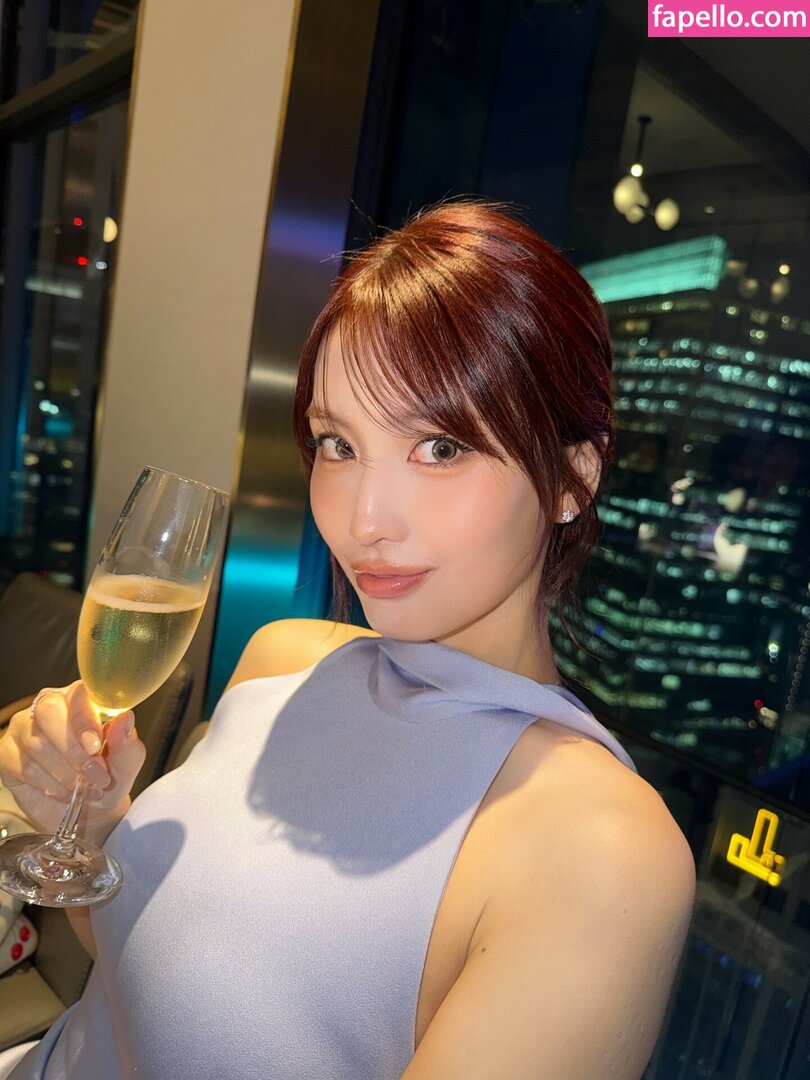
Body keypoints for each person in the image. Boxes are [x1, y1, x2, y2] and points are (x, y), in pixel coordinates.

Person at [0, 201, 695, 1079]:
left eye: (440, 447)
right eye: (338, 443)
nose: (364, 519)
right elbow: (132, 968)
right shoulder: (283, 660)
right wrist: (96, 821)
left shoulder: (601, 852)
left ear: (571, 478)